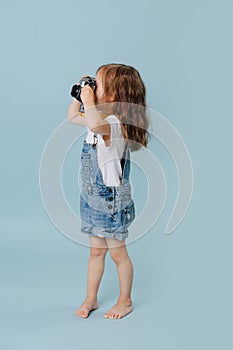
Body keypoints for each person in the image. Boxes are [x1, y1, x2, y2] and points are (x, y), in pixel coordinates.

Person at [67, 63, 149, 319]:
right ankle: (91, 298)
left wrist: (89, 101)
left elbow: (92, 121)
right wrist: (78, 95)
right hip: (91, 199)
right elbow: (73, 117)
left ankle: (125, 301)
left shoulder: (114, 123)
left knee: (118, 254)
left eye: (98, 85)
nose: (94, 89)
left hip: (111, 201)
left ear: (113, 95)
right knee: (96, 252)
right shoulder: (101, 119)